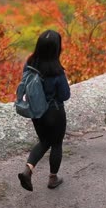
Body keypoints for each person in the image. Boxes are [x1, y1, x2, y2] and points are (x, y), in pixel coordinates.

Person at [18, 29, 71, 191]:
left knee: (44, 141)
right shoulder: (56, 71)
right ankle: (53, 179)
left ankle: (28, 169)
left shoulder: (30, 63)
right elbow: (65, 95)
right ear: (57, 48)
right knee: (56, 144)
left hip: (36, 111)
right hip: (54, 113)